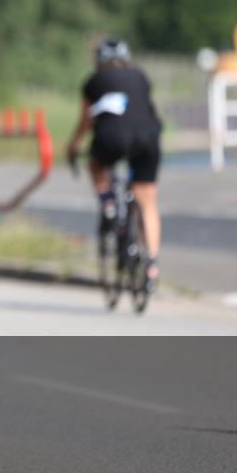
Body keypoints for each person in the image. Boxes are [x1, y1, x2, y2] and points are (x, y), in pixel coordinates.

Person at [65, 37, 163, 288]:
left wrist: (72, 147)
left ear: (99, 61)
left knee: (96, 165)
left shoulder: (93, 82)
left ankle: (108, 202)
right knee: (147, 201)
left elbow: (86, 122)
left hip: (111, 137)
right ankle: (151, 264)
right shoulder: (140, 76)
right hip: (148, 138)